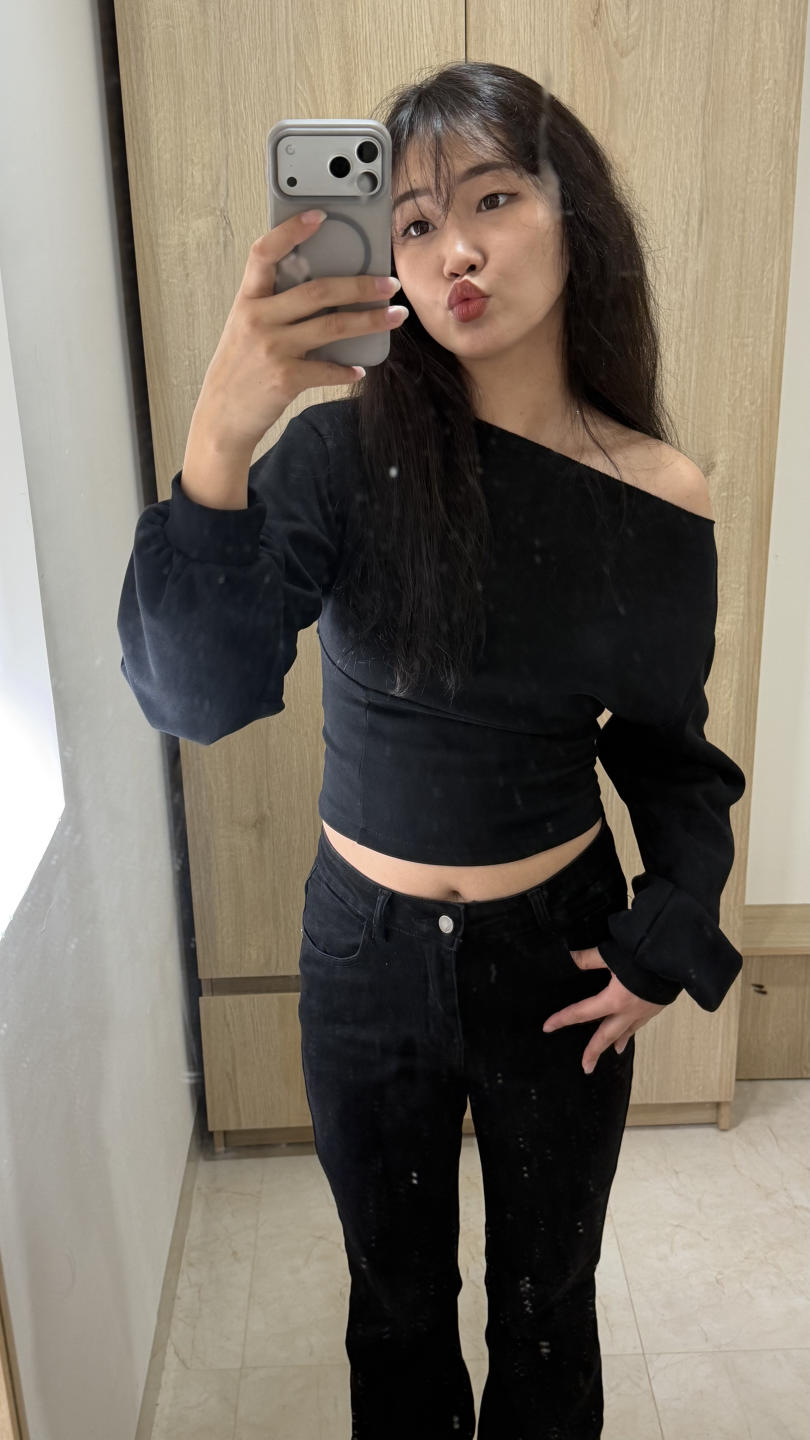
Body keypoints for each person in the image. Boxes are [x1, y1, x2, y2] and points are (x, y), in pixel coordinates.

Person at [117, 62, 746, 1440]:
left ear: (572, 216)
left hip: (556, 955)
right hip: (366, 959)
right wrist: (221, 429)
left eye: (492, 200)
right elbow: (197, 696)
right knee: (394, 1306)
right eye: (411, 222)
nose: (453, 248)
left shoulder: (655, 494)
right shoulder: (338, 460)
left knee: (546, 1302)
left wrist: (665, 938)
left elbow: (670, 755)